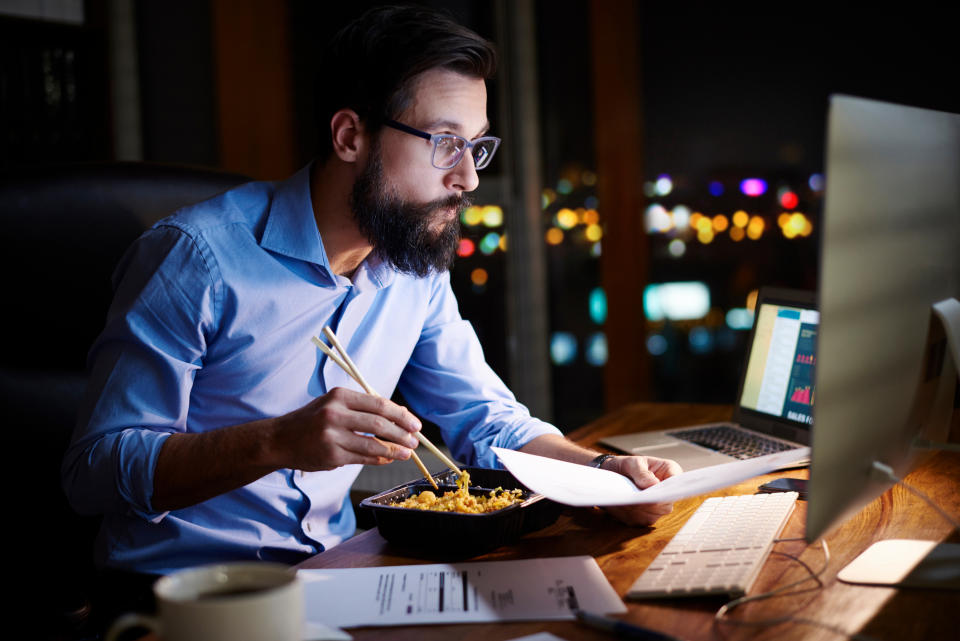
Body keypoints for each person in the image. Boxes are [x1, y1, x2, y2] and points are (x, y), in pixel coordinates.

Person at [62, 5, 680, 582]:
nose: (468, 177)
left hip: (334, 573)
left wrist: (605, 475)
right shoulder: (195, 258)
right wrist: (277, 442)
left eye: (477, 146)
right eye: (444, 142)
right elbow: (94, 473)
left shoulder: (414, 268)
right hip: (184, 592)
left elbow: (486, 418)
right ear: (351, 136)